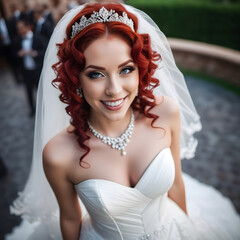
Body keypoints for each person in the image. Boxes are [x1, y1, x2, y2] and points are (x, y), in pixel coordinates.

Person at [6, 3, 240, 240]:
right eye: (96, 74)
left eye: (126, 69)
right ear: (75, 78)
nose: (114, 90)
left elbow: (176, 184)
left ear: (140, 68)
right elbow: (70, 218)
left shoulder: (165, 113)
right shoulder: (58, 154)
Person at [12, 20, 47, 116]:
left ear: (28, 27)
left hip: (37, 70)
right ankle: (32, 110)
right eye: (18, 29)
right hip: (26, 71)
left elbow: (46, 52)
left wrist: (35, 53)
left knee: (40, 92)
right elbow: (13, 54)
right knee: (28, 92)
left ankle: (43, 110)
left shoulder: (38, 38)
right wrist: (19, 54)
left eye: (21, 28)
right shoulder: (17, 40)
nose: (19, 31)